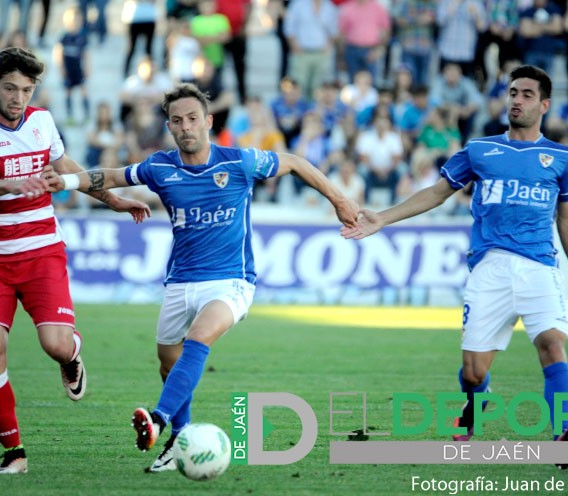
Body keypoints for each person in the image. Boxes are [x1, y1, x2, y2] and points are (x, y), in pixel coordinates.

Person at [44, 82, 359, 473]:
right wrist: (68, 181)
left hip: (231, 281)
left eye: (193, 118)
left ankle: (157, 421)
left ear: (208, 122)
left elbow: (295, 161)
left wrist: (340, 200)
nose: (186, 126)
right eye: (177, 121)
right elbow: (113, 176)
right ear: (170, 127)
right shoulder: (161, 167)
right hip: (180, 282)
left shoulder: (238, 162)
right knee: (168, 363)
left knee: (199, 339)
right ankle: (180, 436)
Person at [341, 65, 568, 468]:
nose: (516, 99)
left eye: (527, 94)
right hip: (489, 269)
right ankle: (476, 404)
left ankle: (565, 431)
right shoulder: (479, 149)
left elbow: (566, 217)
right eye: (512, 92)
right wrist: (383, 218)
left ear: (544, 104)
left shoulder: (562, 158)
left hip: (540, 267)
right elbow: (438, 193)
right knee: (474, 373)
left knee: (552, 344)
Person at [0, 46, 151, 475]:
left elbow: (66, 168)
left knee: (55, 345)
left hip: (41, 251)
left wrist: (111, 199)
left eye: (25, 89)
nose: (17, 98)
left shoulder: (41, 122)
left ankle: (72, 356)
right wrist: (10, 184)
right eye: (9, 88)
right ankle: (14, 453)